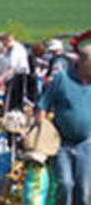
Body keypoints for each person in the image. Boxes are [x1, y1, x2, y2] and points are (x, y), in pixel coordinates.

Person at [37, 30, 91, 205]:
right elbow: (43, 104)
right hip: (61, 143)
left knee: (83, 189)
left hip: (87, 144)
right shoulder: (62, 79)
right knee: (65, 184)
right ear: (82, 62)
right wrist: (41, 131)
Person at [0, 34, 30, 110]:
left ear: (8, 40)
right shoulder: (10, 50)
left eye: (4, 43)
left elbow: (12, 69)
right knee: (8, 101)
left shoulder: (16, 50)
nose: (3, 45)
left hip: (19, 77)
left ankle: (14, 117)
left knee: (12, 102)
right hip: (14, 77)